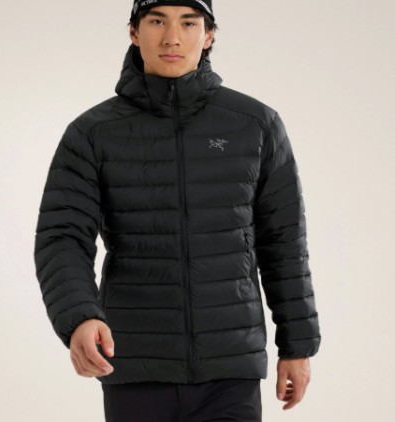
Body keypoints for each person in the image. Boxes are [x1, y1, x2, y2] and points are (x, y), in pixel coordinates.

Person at [33, 1, 322, 421]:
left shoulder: (254, 124)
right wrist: (79, 318)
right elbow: (62, 238)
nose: (172, 38)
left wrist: (297, 346)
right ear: (134, 32)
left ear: (208, 36)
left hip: (230, 366)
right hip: (136, 363)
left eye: (188, 23)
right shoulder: (93, 133)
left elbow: (283, 242)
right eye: (157, 21)